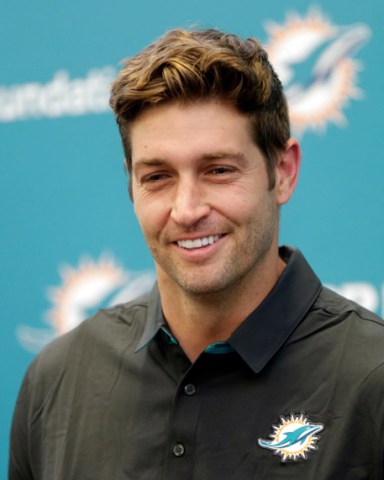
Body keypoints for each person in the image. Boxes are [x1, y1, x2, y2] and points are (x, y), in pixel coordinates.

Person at [9, 28, 384, 479]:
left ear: (282, 172)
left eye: (218, 170)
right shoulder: (56, 380)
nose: (186, 210)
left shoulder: (373, 376)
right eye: (158, 177)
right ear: (131, 184)